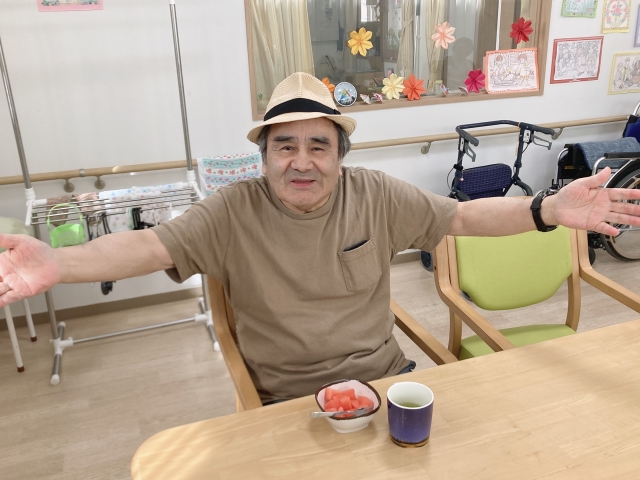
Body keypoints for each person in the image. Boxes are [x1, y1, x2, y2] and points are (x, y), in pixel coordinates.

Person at [1, 72, 640, 403]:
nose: (301, 162)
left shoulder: (376, 194)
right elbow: (148, 247)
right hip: (285, 397)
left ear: (339, 156)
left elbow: (464, 218)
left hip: (384, 379)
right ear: (263, 156)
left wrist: (548, 208)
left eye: (318, 145)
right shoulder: (230, 211)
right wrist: (57, 262)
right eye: (285, 146)